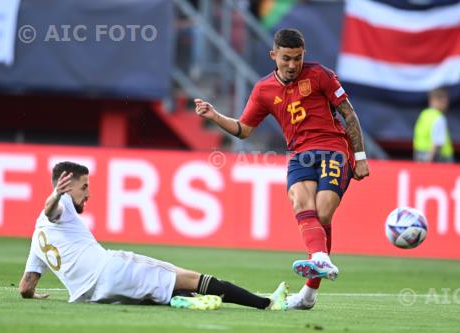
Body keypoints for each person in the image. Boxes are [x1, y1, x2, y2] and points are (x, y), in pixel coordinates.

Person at [194, 28, 370, 310]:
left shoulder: (320, 75)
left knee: (323, 212)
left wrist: (360, 156)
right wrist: (214, 116)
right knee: (301, 203)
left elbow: (348, 112)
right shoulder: (263, 90)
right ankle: (318, 262)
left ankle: (312, 283)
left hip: (333, 149)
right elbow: (243, 129)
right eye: (286, 58)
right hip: (300, 154)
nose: (292, 65)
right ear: (273, 56)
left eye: (298, 58)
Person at [18, 161, 288, 311]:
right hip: (111, 269)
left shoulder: (36, 237)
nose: (88, 193)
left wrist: (33, 296)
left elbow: (26, 287)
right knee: (192, 278)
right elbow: (50, 208)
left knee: (154, 291)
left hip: (92, 295)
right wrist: (56, 194)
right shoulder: (61, 203)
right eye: (84, 186)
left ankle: (183, 300)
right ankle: (266, 303)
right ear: (65, 186)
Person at [413, 88, 454, 163]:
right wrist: (428, 162)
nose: (446, 104)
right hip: (438, 158)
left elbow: (417, 138)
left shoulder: (424, 114)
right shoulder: (438, 118)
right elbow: (437, 143)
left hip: (420, 154)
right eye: (445, 101)